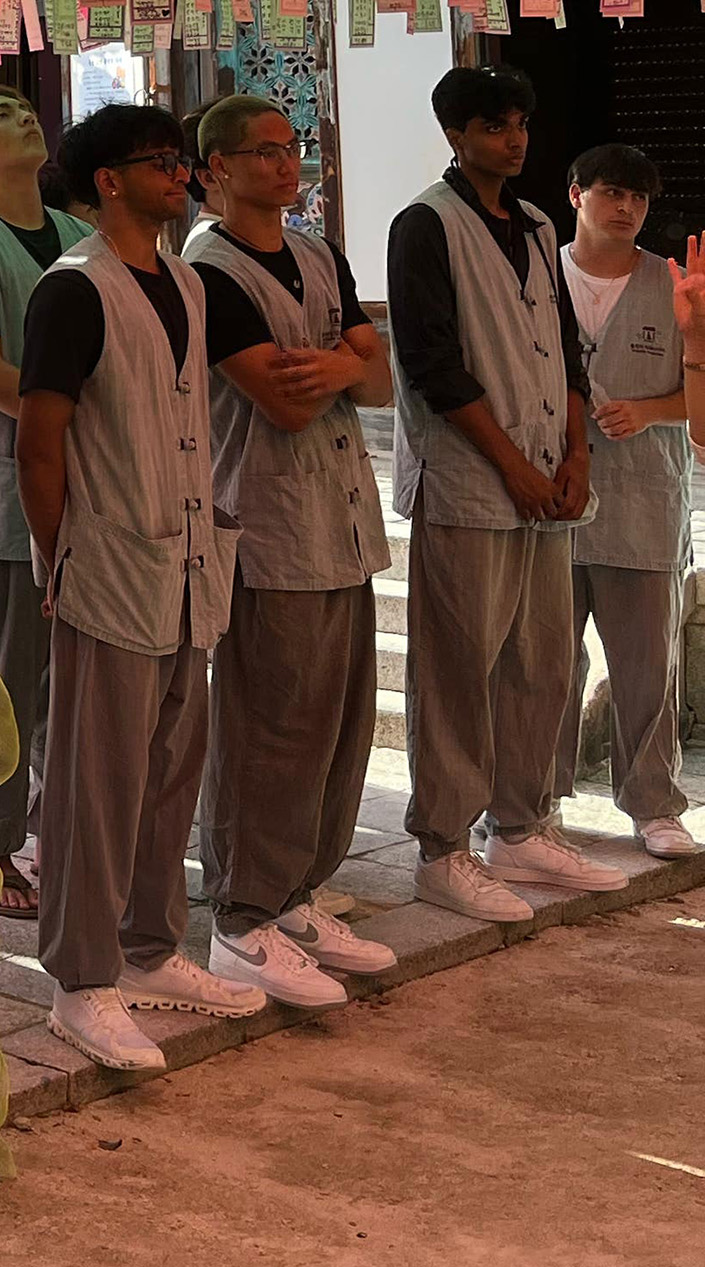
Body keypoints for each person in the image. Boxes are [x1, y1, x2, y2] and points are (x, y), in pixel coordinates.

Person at [16, 103, 262, 1079]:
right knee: (95, 781)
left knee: (169, 765)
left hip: (190, 560)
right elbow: (42, 440)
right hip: (110, 567)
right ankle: (82, 979)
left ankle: (152, 945)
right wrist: (59, 559)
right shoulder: (73, 291)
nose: (180, 174)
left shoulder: (189, 286)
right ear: (108, 181)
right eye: (160, 162)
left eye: (180, 159)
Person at [385, 65, 620, 916]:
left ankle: (520, 828)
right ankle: (441, 845)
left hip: (545, 481)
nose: (512, 138)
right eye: (493, 126)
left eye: (518, 122)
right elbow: (430, 363)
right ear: (455, 135)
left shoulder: (532, 221)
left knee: (540, 660)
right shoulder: (423, 224)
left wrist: (573, 457)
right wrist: (511, 465)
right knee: (456, 667)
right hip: (469, 483)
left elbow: (561, 345)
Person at [184, 95, 398, 1008]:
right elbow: (281, 398)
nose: (285, 164)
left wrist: (344, 363)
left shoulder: (315, 250)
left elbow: (378, 376)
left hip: (344, 519)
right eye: (264, 152)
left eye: (292, 147)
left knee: (341, 724)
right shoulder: (208, 266)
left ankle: (297, 893)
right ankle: (241, 914)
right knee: (270, 729)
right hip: (267, 526)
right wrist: (337, 365)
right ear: (216, 169)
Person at [0, 86, 88, 921]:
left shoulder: (80, 235)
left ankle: (61, 830)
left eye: (24, 108)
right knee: (6, 682)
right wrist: (67, 415)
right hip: (8, 484)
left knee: (71, 677)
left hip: (89, 480)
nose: (23, 118)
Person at [556, 146, 705, 855]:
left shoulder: (672, 282)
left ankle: (652, 805)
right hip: (548, 498)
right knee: (542, 662)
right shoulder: (536, 274)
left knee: (647, 660)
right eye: (612, 193)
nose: (626, 209)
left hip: (644, 497)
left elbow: (703, 399)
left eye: (639, 198)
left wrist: (650, 410)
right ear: (575, 195)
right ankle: (530, 803)